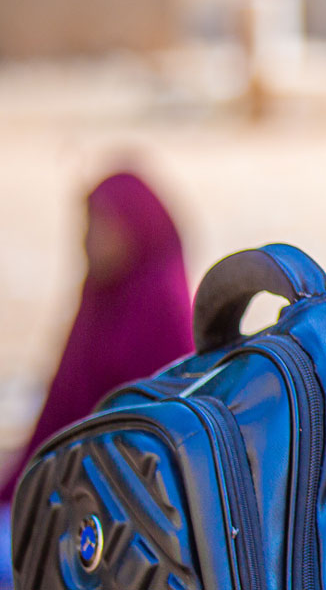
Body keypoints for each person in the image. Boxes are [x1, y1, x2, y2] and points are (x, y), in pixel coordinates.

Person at [0, 172, 195, 587]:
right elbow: (58, 414)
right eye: (87, 227)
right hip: (63, 485)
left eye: (103, 227)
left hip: (124, 513)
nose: (89, 241)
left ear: (136, 228)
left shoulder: (161, 310)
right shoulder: (99, 301)